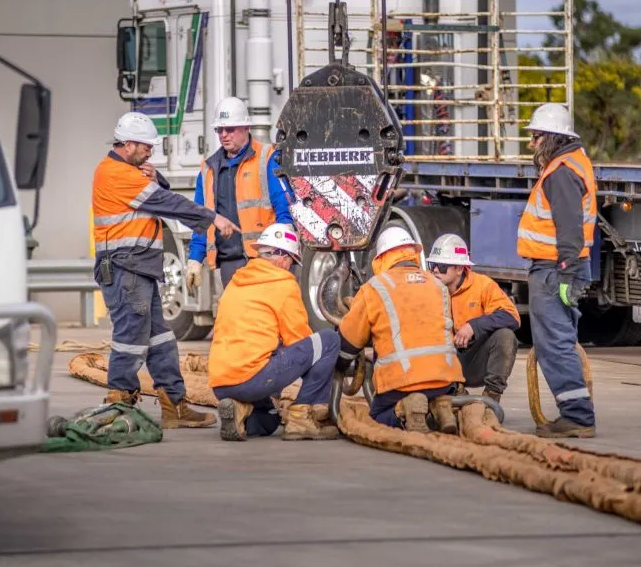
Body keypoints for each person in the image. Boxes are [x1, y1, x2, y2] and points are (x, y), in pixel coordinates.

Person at [92, 111, 240, 429]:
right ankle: (118, 402)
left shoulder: (126, 171)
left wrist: (154, 174)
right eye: (146, 147)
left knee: (160, 339)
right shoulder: (117, 174)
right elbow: (167, 203)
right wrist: (212, 218)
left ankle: (174, 403)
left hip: (138, 268)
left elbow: (156, 192)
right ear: (128, 144)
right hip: (125, 268)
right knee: (131, 337)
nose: (151, 152)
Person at [208, 223, 341, 442]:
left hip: (221, 383)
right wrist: (322, 379)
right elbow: (299, 340)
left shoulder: (238, 279)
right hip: (251, 379)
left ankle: (239, 409)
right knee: (327, 341)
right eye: (291, 262)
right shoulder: (283, 283)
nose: (290, 268)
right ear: (281, 257)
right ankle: (301, 416)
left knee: (269, 420)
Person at [516, 103, 598, 438]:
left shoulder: (562, 172)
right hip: (558, 269)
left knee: (555, 344)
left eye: (535, 137)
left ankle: (577, 416)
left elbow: (569, 230)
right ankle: (576, 412)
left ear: (551, 138)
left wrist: (566, 273)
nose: (532, 144)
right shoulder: (571, 165)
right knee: (559, 342)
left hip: (554, 270)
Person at [337, 227, 465, 434]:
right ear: (413, 253)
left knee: (378, 415)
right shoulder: (437, 285)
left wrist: (339, 365)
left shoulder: (374, 288)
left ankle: (405, 407)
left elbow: (350, 341)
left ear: (382, 258)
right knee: (432, 391)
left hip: (402, 383)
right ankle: (440, 405)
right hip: (445, 379)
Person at [186, 96, 295, 291]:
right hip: (229, 265)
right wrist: (195, 258)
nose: (224, 135)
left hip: (265, 260)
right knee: (236, 319)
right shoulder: (208, 169)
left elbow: (284, 207)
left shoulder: (267, 158)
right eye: (220, 130)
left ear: (246, 128)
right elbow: (201, 219)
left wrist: (283, 249)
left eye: (230, 129)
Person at [426, 233, 520, 403]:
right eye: (432, 265)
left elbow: (512, 317)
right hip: (442, 365)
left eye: (442, 266)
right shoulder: (426, 289)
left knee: (505, 336)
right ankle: (455, 393)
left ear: (460, 269)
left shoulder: (482, 285)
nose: (435, 271)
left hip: (472, 361)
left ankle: (491, 398)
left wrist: (473, 327)